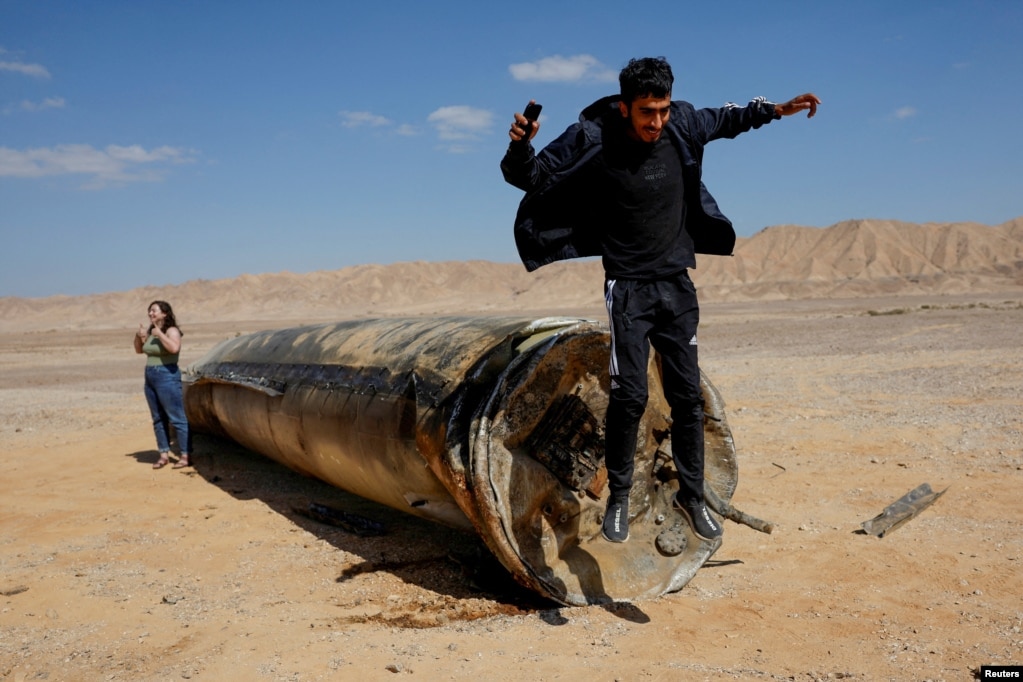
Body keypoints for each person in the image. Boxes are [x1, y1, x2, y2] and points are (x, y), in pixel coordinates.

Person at [500, 56, 819, 544]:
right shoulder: (592, 136)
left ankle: (693, 498)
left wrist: (776, 109)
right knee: (629, 396)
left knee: (687, 397)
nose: (657, 122)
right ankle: (621, 499)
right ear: (626, 107)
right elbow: (531, 177)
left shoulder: (681, 123)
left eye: (663, 110)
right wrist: (520, 147)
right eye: (647, 112)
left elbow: (727, 118)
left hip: (677, 283)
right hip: (627, 287)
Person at [134, 300, 192, 469]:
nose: (150, 314)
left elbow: (174, 348)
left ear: (164, 313)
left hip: (167, 375)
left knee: (176, 417)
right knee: (158, 417)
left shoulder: (171, 331)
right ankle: (164, 454)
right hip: (150, 375)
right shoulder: (152, 331)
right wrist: (139, 336)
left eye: (154, 310)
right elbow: (140, 350)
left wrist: (160, 334)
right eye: (149, 311)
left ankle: (185, 455)